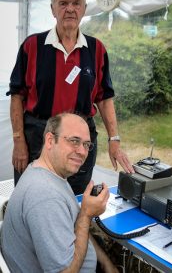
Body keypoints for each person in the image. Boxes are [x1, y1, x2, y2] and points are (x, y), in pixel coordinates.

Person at [6, 0, 134, 195]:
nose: (70, 9)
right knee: (32, 197)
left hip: (80, 139)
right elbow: (17, 96)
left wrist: (114, 139)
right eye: (63, 3)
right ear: (53, 9)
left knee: (74, 201)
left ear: (84, 9)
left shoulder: (96, 49)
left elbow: (104, 98)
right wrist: (19, 141)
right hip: (38, 137)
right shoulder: (32, 46)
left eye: (76, 3)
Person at [1, 113, 119, 273]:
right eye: (74, 141)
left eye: (86, 144)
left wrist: (107, 264)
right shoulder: (45, 195)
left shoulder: (48, 174)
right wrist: (86, 215)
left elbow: (73, 226)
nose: (83, 152)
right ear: (50, 140)